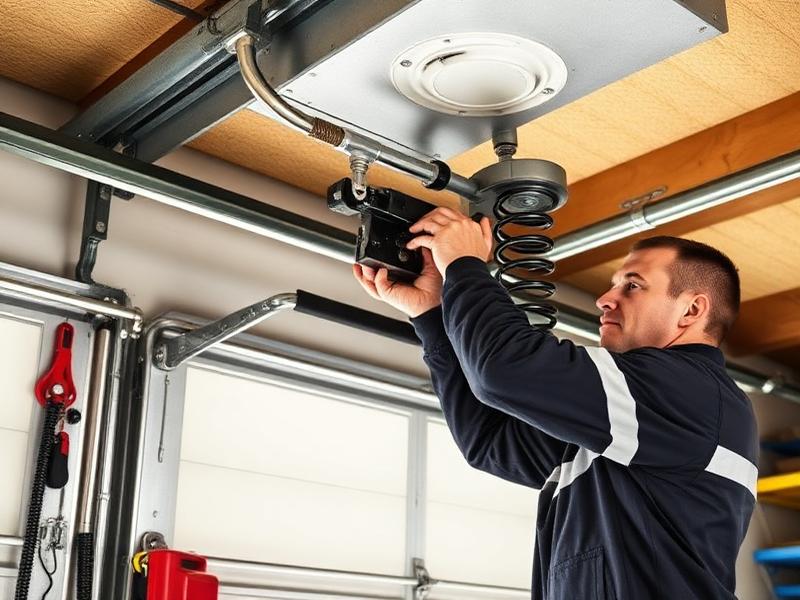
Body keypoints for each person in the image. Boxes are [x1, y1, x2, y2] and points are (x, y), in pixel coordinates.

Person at [353, 207, 757, 600]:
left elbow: (506, 371)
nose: (605, 298)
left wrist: (465, 264)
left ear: (692, 310)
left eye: (632, 285)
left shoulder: (692, 393)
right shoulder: (627, 419)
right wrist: (433, 315)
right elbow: (492, 441)